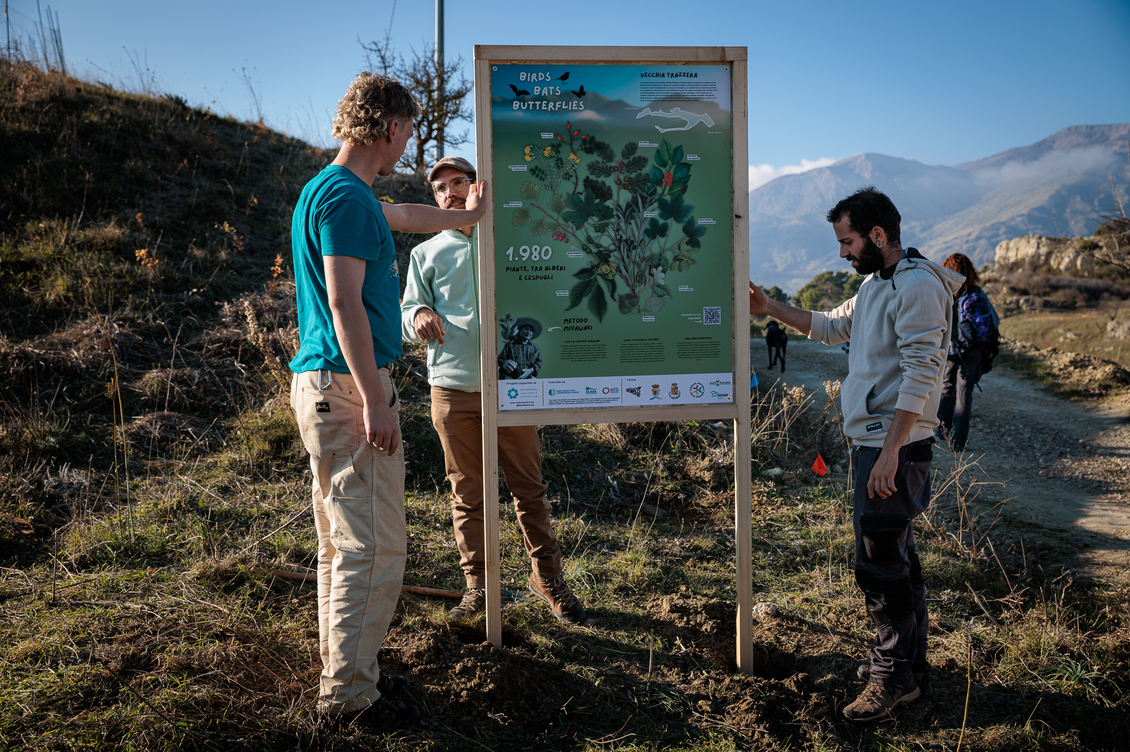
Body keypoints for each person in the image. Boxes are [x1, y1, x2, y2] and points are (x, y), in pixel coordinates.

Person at [289, 73, 488, 731]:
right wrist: (375, 399)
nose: (409, 146)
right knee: (373, 549)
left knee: (344, 546)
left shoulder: (340, 192)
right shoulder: (346, 201)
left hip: (329, 386)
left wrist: (468, 218)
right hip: (349, 389)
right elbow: (344, 301)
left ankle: (347, 677)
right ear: (392, 128)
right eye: (409, 132)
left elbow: (406, 216)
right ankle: (346, 698)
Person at [749, 186, 963, 722]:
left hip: (894, 447)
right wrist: (770, 307)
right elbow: (832, 327)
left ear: (877, 234)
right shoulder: (876, 284)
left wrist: (891, 452)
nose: (842, 253)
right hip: (877, 443)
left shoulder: (915, 286)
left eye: (846, 241)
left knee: (878, 564)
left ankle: (890, 680)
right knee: (896, 558)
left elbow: (924, 373)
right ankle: (910, 670)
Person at [400, 157, 587, 625]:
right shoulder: (426, 254)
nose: (450, 193)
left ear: (476, 186)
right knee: (466, 493)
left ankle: (547, 579)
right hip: (452, 390)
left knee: (529, 489)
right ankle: (479, 588)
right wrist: (418, 316)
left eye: (459, 182)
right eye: (441, 189)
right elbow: (406, 311)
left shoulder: (508, 240)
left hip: (511, 390)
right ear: (435, 200)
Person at [936, 253, 998, 451]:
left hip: (952, 349)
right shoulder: (977, 294)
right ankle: (958, 442)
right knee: (964, 394)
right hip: (973, 350)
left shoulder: (947, 294)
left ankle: (942, 431)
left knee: (946, 388)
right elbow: (994, 321)